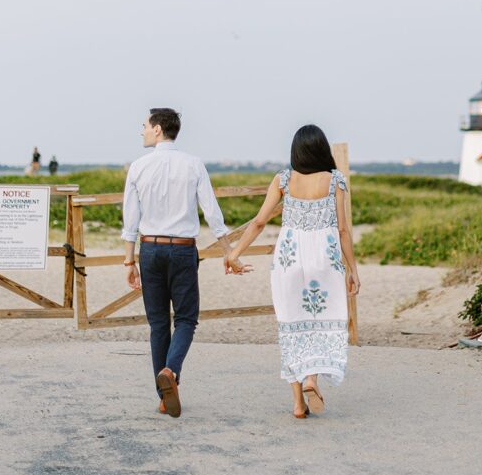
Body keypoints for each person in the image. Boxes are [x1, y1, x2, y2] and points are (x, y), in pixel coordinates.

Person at [224, 124, 360, 418]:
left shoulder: (283, 179)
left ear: (296, 151)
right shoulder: (335, 180)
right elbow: (343, 229)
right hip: (325, 258)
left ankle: (298, 404)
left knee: (292, 324)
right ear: (322, 149)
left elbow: (259, 222)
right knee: (320, 320)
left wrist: (234, 253)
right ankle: (312, 378)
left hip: (289, 257)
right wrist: (353, 270)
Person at [121, 108, 244, 417]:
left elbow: (130, 220)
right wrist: (229, 251)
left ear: (159, 129)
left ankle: (164, 397)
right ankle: (171, 372)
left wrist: (128, 261)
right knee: (186, 319)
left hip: (150, 249)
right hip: (183, 249)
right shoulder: (193, 164)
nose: (142, 131)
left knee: (158, 323)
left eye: (145, 126)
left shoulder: (138, 167)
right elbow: (212, 214)